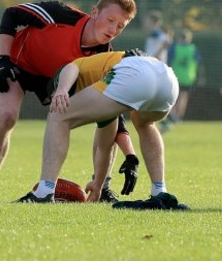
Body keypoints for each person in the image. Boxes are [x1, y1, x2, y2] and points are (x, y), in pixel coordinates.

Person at [0, 0, 137, 203]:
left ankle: (103, 188)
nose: (113, 29)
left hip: (53, 80)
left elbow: (113, 113)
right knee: (7, 117)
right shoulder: (60, 14)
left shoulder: (104, 55)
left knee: (105, 118)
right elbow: (11, 14)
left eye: (120, 26)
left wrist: (130, 156)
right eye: (110, 20)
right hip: (17, 62)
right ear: (95, 12)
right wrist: (4, 59)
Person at [15, 50, 189, 210]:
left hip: (135, 72)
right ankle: (159, 191)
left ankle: (44, 191)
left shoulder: (77, 76)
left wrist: (61, 90)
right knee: (144, 123)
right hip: (167, 79)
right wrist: (98, 185)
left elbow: (72, 66)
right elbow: (105, 146)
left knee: (57, 116)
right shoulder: (103, 95)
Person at [162, 28, 201, 132]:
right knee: (183, 98)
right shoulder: (193, 48)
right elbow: (197, 63)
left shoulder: (175, 47)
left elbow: (168, 60)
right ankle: (178, 118)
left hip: (176, 76)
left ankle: (173, 116)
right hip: (188, 78)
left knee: (174, 97)